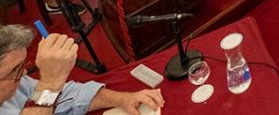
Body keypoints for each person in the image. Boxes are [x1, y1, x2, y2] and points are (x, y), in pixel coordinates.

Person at [0, 25, 164, 114]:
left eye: (22, 66)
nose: (24, 73)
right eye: (14, 70)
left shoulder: (15, 81)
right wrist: (50, 82)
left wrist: (121, 99)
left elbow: (64, 97)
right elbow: (48, 93)